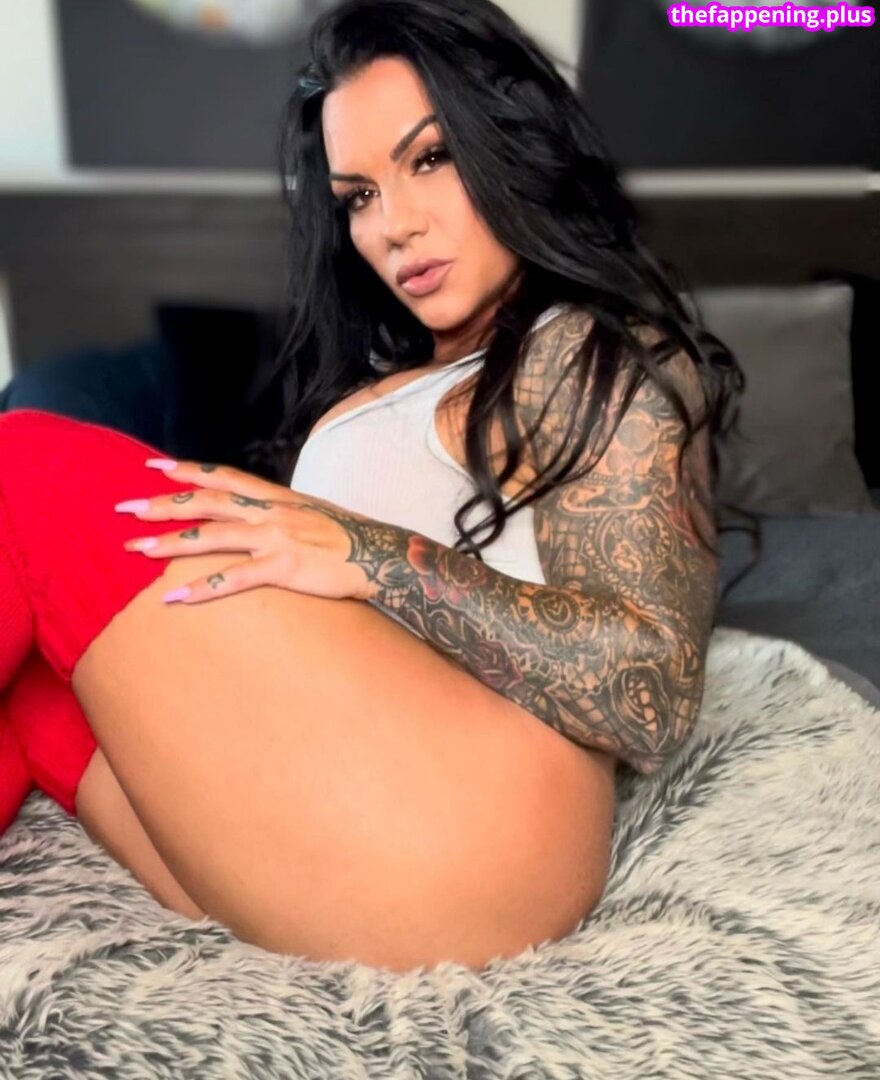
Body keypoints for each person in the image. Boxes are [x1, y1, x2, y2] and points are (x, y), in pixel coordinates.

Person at [0, 0, 751, 975]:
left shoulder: (584, 347)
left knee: (22, 463)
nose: (395, 225)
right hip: (329, 829)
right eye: (357, 196)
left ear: (512, 147)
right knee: (34, 696)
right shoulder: (407, 373)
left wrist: (364, 552)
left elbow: (649, 693)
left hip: (477, 836)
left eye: (431, 158)